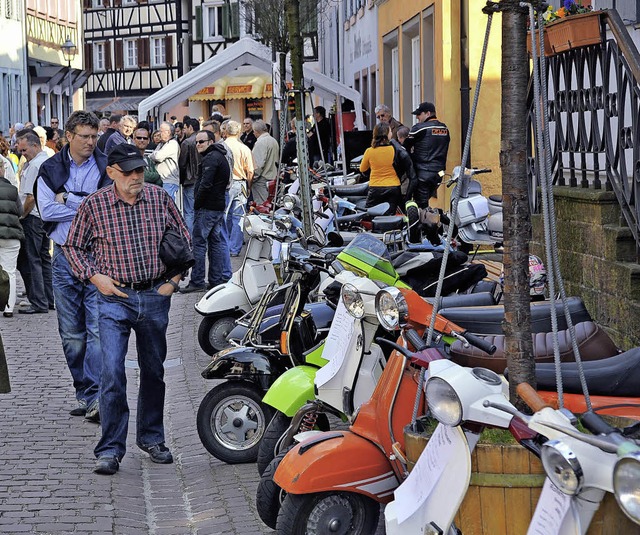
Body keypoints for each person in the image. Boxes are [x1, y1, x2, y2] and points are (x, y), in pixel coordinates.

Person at [63, 143, 189, 475]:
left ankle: (151, 438)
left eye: (140, 170)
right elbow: (72, 246)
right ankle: (110, 449)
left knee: (153, 371)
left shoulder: (159, 198)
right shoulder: (95, 205)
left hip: (154, 295)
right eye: (130, 171)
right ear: (112, 173)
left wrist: (172, 282)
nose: (137, 176)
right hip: (113, 298)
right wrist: (95, 277)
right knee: (111, 373)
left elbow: (183, 238)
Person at [36, 110, 110, 422]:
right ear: (69, 136)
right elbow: (46, 211)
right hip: (64, 256)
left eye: (94, 136)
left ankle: (96, 396)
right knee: (71, 335)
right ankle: (84, 390)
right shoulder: (50, 168)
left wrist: (69, 200)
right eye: (85, 136)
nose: (91, 142)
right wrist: (85, 203)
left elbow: (105, 208)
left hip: (97, 255)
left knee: (96, 331)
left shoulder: (106, 165)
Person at [180, 130, 231, 293]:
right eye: (196, 142)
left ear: (210, 142)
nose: (198, 144)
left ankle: (197, 280)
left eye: (201, 142)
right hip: (216, 206)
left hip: (208, 207)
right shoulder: (218, 156)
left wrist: (197, 204)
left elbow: (205, 184)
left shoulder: (212, 157)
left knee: (199, 243)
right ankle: (215, 280)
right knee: (214, 242)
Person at [15, 131, 54, 314]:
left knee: (33, 260)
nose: (22, 154)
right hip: (45, 217)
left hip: (33, 218)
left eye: (24, 150)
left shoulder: (35, 165)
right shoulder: (47, 161)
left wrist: (22, 215)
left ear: (35, 145)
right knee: (44, 259)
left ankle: (38, 301)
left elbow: (30, 197)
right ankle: (50, 299)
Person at [403, 102, 450, 208]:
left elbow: (405, 148)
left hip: (423, 172)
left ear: (428, 113)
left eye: (419, 114)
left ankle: (425, 223)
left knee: (420, 206)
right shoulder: (445, 129)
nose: (417, 117)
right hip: (439, 174)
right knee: (426, 200)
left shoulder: (419, 128)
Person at [224, 120, 253, 256]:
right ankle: (234, 248)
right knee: (238, 217)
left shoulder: (221, 146)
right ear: (239, 132)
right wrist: (249, 186)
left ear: (226, 131)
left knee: (223, 215)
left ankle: (223, 245)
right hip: (240, 183)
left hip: (224, 184)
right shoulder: (244, 148)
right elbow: (251, 171)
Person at [359, 122, 402, 214]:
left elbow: (362, 169)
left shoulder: (369, 151)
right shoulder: (394, 150)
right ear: (386, 134)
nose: (391, 133)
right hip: (393, 186)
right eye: (390, 131)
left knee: (371, 214)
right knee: (390, 216)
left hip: (376, 187)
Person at [0, 161, 23, 318]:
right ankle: (8, 307)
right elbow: (20, 211)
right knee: (10, 271)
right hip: (12, 236)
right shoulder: (13, 190)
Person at [178, 118, 200, 234]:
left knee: (189, 212)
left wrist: (181, 180)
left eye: (185, 128)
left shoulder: (187, 142)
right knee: (198, 211)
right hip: (200, 180)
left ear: (190, 128)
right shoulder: (204, 140)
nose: (184, 131)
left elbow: (182, 164)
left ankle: (189, 238)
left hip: (190, 180)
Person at [150, 122, 180, 201]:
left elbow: (157, 156)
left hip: (168, 180)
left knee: (166, 205)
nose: (159, 133)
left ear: (168, 132)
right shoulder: (162, 144)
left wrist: (153, 155)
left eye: (161, 131)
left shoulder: (172, 143)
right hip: (161, 180)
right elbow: (152, 157)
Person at [251, 120, 278, 205]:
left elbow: (258, 164)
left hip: (262, 179)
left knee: (262, 206)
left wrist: (252, 178)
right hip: (272, 176)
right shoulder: (273, 140)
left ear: (256, 131)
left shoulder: (260, 143)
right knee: (270, 205)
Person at [391, 125, 416, 198]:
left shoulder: (402, 150)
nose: (398, 140)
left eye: (398, 138)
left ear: (401, 138)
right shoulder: (416, 146)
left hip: (406, 180)